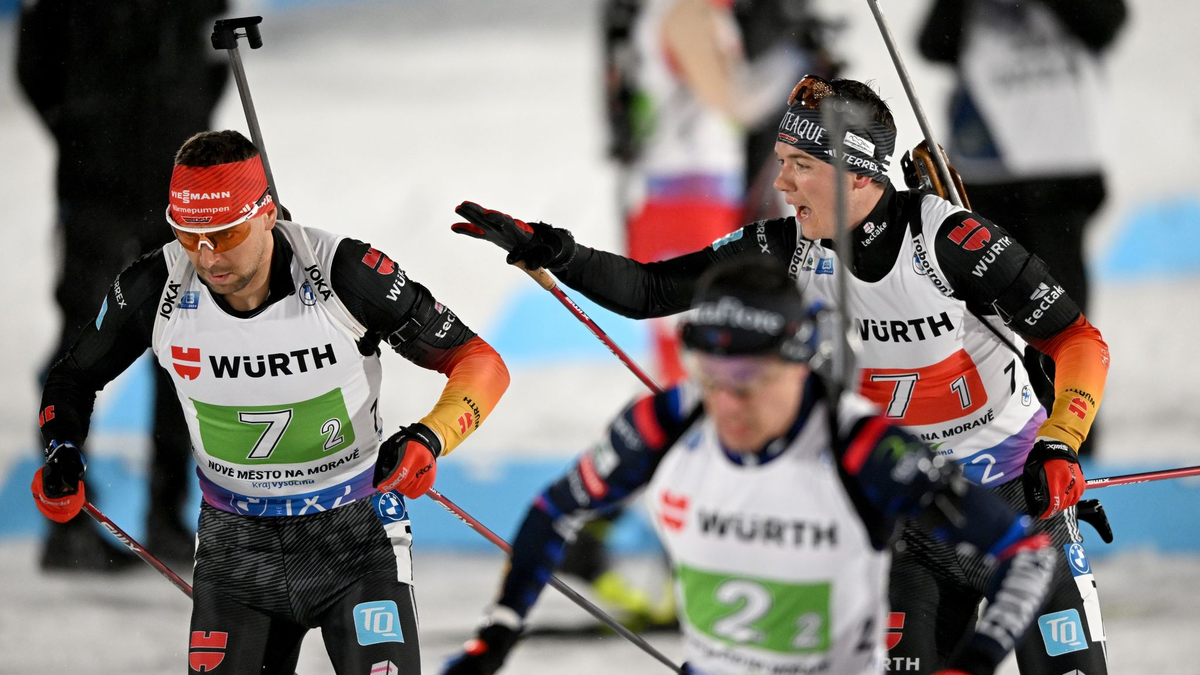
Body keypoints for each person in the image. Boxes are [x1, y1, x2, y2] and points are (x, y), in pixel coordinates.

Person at [450, 75, 1111, 673]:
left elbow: (1077, 339)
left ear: (856, 176)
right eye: (782, 164)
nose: (783, 183)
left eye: (800, 165)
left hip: (1021, 504)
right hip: (906, 524)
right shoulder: (788, 246)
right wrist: (552, 248)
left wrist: (1061, 440)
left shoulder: (947, 242)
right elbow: (652, 290)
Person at [30, 130, 510, 673]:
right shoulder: (156, 285)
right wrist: (62, 450)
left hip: (353, 532)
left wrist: (430, 437)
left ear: (266, 213)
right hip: (236, 548)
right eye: (188, 234)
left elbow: (478, 361)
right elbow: (72, 377)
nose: (207, 256)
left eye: (225, 232)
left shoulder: (342, 274)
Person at [441, 257, 1055, 675]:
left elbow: (1027, 555)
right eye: (710, 378)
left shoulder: (861, 447)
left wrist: (975, 661)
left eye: (750, 381)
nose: (727, 403)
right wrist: (496, 635)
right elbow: (555, 510)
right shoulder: (666, 421)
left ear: (800, 362)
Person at [17, 0, 231, 569]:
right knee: (81, 350)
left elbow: (216, 52)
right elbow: (33, 66)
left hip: (172, 191)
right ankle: (69, 527)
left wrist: (182, 131)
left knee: (183, 348)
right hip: (95, 192)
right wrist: (82, 130)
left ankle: (169, 519)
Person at [917, 0, 1127, 457]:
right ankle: (1003, 430)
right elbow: (933, 45)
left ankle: (1072, 437)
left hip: (1061, 164)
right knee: (988, 308)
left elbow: (1107, 23)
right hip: (989, 167)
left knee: (1061, 305)